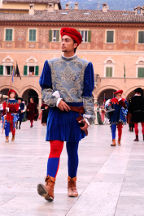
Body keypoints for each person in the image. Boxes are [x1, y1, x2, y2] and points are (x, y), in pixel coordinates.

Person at [37, 27, 95, 202]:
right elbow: (45, 90)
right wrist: (55, 101)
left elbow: (87, 94)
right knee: (55, 148)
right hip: (56, 113)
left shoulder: (86, 65)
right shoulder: (50, 64)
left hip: (75, 114)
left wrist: (88, 118)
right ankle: (49, 187)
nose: (62, 42)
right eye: (62, 39)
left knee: (72, 150)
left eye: (67, 40)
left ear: (76, 44)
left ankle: (72, 184)